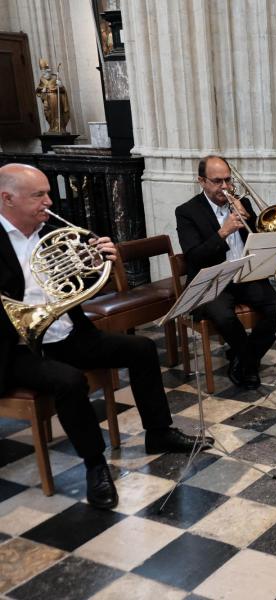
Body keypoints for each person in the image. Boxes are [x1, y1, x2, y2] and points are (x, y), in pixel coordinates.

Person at [0, 163, 206, 511]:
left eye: (48, 193)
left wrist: (98, 260)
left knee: (141, 348)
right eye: (39, 195)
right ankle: (95, 466)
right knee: (68, 382)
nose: (49, 202)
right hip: (18, 349)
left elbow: (77, 285)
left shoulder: (50, 228)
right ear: (7, 198)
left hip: (67, 333)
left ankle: (158, 432)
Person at [176, 155, 276, 390]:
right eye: (217, 181)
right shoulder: (187, 211)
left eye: (228, 180)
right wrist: (223, 232)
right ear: (202, 181)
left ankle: (242, 358)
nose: (225, 187)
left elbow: (259, 244)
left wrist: (249, 219)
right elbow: (194, 257)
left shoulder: (243, 204)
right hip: (214, 280)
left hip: (246, 275)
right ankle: (248, 364)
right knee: (224, 317)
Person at [35, 59, 70, 133]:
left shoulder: (55, 78)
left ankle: (59, 128)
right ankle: (52, 127)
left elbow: (63, 90)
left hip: (55, 98)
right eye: (43, 73)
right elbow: (38, 89)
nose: (44, 75)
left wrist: (60, 86)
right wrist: (43, 90)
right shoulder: (42, 79)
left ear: (49, 72)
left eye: (45, 73)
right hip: (47, 99)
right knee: (48, 113)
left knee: (56, 113)